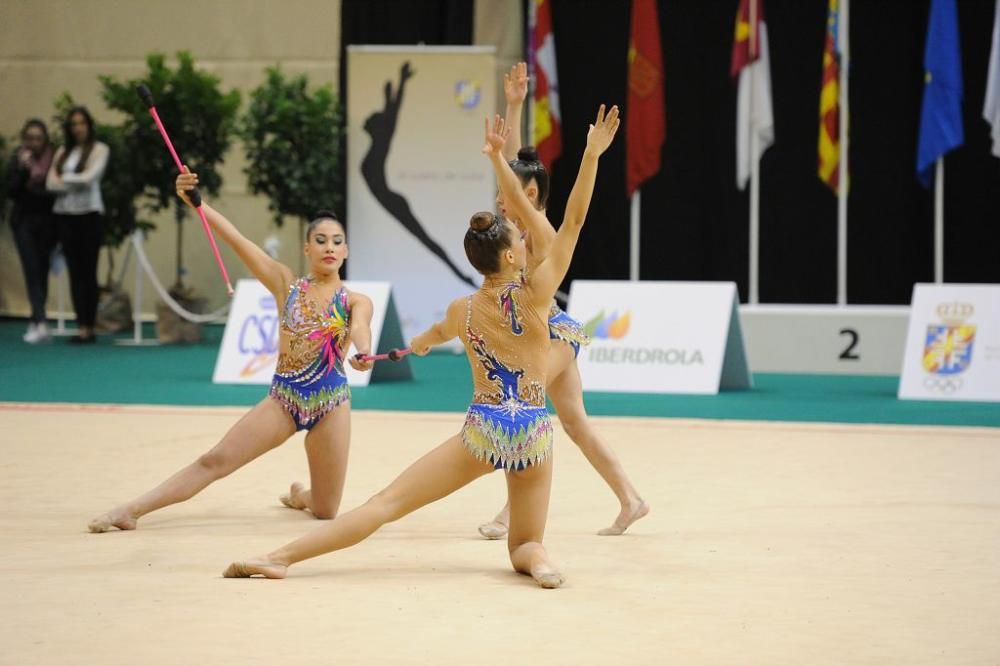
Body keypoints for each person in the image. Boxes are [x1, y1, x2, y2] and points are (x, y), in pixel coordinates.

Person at [220, 106, 619, 587]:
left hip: (483, 435)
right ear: (513, 255)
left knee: (384, 504)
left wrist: (417, 345)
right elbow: (574, 222)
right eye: (519, 230)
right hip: (533, 436)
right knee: (524, 543)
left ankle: (282, 555)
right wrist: (591, 156)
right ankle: (540, 562)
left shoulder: (462, 310)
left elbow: (432, 337)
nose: (526, 225)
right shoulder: (536, 298)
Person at [88, 174, 374, 533]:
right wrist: (197, 203)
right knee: (215, 460)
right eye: (320, 240)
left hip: (332, 404)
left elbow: (361, 328)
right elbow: (237, 240)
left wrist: (363, 352)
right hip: (285, 400)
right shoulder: (287, 284)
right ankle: (130, 510)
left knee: (326, 511)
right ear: (307, 249)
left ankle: (301, 494)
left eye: (337, 241)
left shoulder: (356, 300)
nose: (329, 247)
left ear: (346, 250)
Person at [476, 63, 648, 538]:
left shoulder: (545, 235)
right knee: (574, 422)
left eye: (529, 195)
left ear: (540, 199)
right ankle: (631, 499)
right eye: (512, 192)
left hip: (550, 337)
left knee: (521, 404)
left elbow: (576, 212)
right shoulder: (507, 228)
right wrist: (514, 103)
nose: (514, 198)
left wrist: (592, 156)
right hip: (537, 335)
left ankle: (510, 514)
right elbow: (511, 170)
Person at [46, 106, 108, 344]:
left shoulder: (100, 150)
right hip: (65, 216)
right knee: (73, 271)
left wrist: (65, 180)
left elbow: (90, 178)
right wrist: (72, 182)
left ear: (89, 125)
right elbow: (50, 183)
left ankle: (90, 325)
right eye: (73, 124)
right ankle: (80, 323)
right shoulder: (62, 152)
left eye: (82, 123)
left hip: (89, 215)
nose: (78, 128)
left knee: (88, 271)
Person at [6, 119, 56, 343]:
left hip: (48, 222)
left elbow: (55, 191)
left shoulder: (54, 159)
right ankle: (39, 319)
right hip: (23, 222)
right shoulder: (18, 160)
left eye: (38, 138)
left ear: (44, 140)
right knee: (31, 269)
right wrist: (24, 172)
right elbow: (11, 190)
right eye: (29, 138)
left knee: (43, 268)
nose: (33, 142)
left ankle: (38, 317)